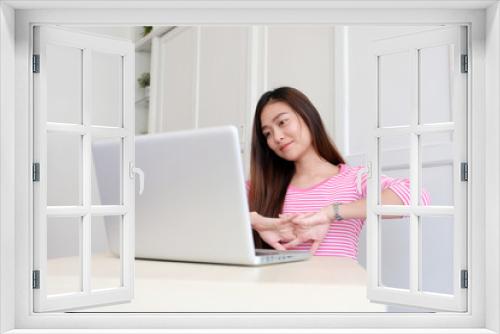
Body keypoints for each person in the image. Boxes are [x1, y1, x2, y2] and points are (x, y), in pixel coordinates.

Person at [247, 86, 430, 260]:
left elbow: (418, 197)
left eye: (282, 122)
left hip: (338, 290)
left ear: (308, 116)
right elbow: (220, 219)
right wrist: (256, 221)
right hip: (276, 291)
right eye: (267, 134)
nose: (277, 137)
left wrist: (330, 213)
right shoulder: (260, 188)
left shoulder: (354, 179)